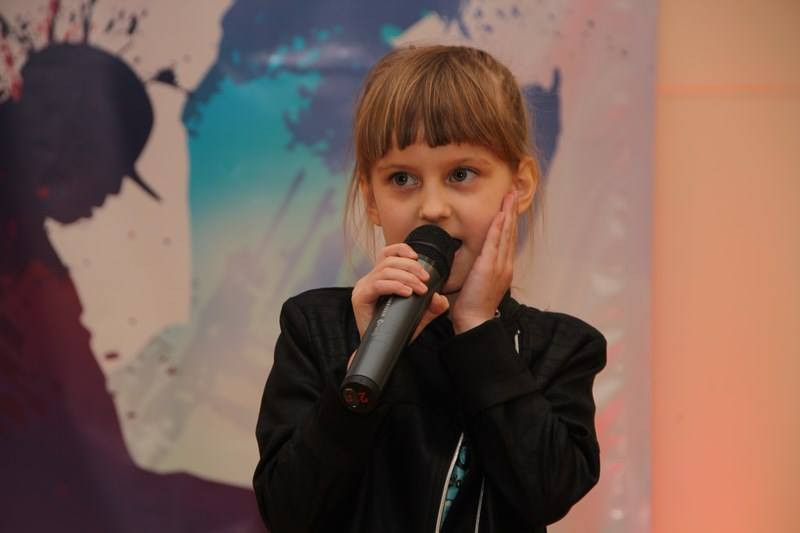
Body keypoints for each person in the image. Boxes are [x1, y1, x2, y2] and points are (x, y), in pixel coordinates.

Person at [253, 45, 606, 533]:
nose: (433, 208)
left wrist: (478, 329)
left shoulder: (559, 348)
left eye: (461, 174)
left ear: (520, 185)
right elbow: (288, 510)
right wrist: (363, 364)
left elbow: (547, 490)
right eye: (402, 178)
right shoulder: (316, 326)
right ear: (370, 198)